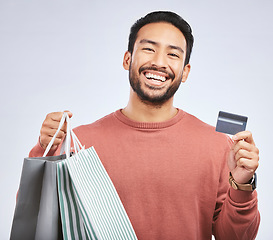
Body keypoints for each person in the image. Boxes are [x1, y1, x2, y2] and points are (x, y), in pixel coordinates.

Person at [29, 11, 260, 239]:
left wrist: (242, 185)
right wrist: (44, 150)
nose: (159, 62)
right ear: (127, 59)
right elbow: (36, 224)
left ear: (185, 72)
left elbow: (235, 237)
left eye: (173, 54)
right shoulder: (80, 143)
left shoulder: (217, 145)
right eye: (149, 49)